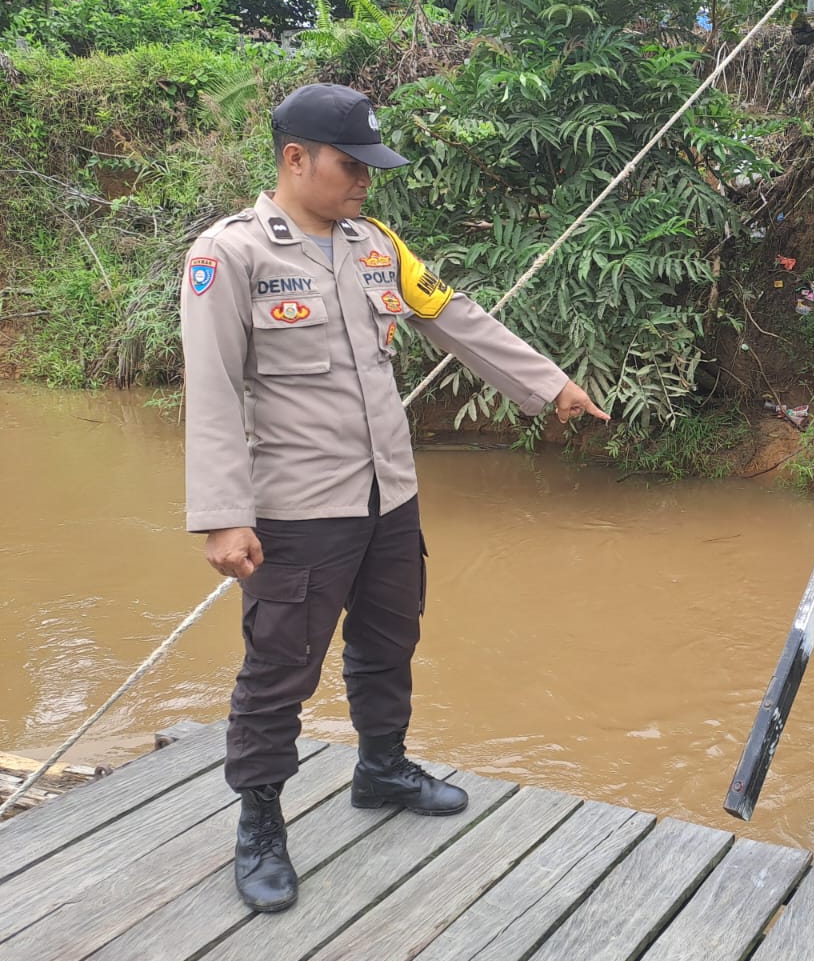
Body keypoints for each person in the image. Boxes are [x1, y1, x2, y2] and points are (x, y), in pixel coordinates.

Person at [180, 82, 608, 913]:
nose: (366, 182)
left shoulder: (376, 246)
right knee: (279, 673)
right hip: (297, 511)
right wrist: (223, 516)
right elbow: (213, 390)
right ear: (294, 159)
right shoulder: (230, 256)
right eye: (351, 165)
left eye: (372, 167)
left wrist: (549, 385)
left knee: (389, 640)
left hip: (388, 499)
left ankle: (381, 768)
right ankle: (260, 824)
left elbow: (458, 318)